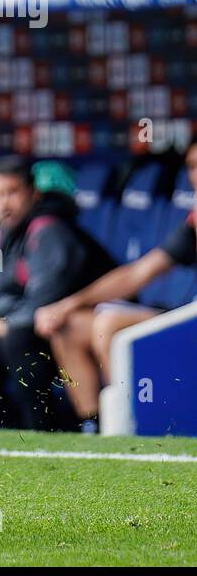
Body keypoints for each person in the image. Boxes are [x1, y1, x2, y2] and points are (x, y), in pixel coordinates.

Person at [35, 140, 197, 416]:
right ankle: (94, 428)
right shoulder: (193, 222)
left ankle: (135, 424)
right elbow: (137, 274)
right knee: (69, 326)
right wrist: (69, 303)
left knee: (110, 323)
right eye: (193, 167)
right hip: (183, 320)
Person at [0, 156, 116, 430]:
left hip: (74, 325)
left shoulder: (49, 229)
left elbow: (45, 300)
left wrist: (7, 322)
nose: (2, 204)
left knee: (18, 337)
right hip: (31, 323)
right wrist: (4, 319)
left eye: (11, 193)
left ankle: (42, 427)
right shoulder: (1, 234)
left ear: (33, 193)